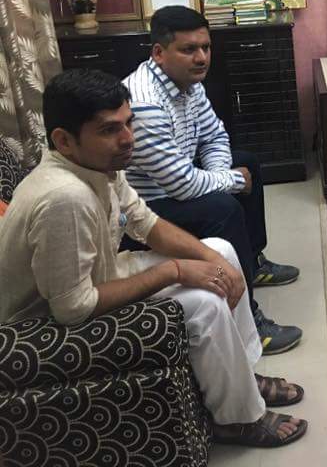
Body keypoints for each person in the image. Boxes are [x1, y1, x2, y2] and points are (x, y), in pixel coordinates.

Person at [0, 70, 308, 447]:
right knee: (204, 302)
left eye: (128, 123)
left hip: (97, 278)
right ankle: (239, 419)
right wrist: (175, 271)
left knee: (221, 252)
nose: (128, 138)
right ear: (64, 140)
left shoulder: (97, 166)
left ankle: (243, 375)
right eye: (109, 129)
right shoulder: (65, 198)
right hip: (38, 329)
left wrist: (214, 259)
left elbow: (146, 223)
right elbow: (72, 308)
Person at [123, 6, 302, 355]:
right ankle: (248, 315)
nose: (202, 57)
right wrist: (229, 182)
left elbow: (214, 136)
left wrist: (224, 175)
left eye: (206, 47)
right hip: (148, 208)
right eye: (189, 49)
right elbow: (181, 186)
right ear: (158, 52)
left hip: (178, 181)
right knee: (223, 207)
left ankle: (252, 260)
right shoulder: (144, 103)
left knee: (247, 163)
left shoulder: (188, 83)